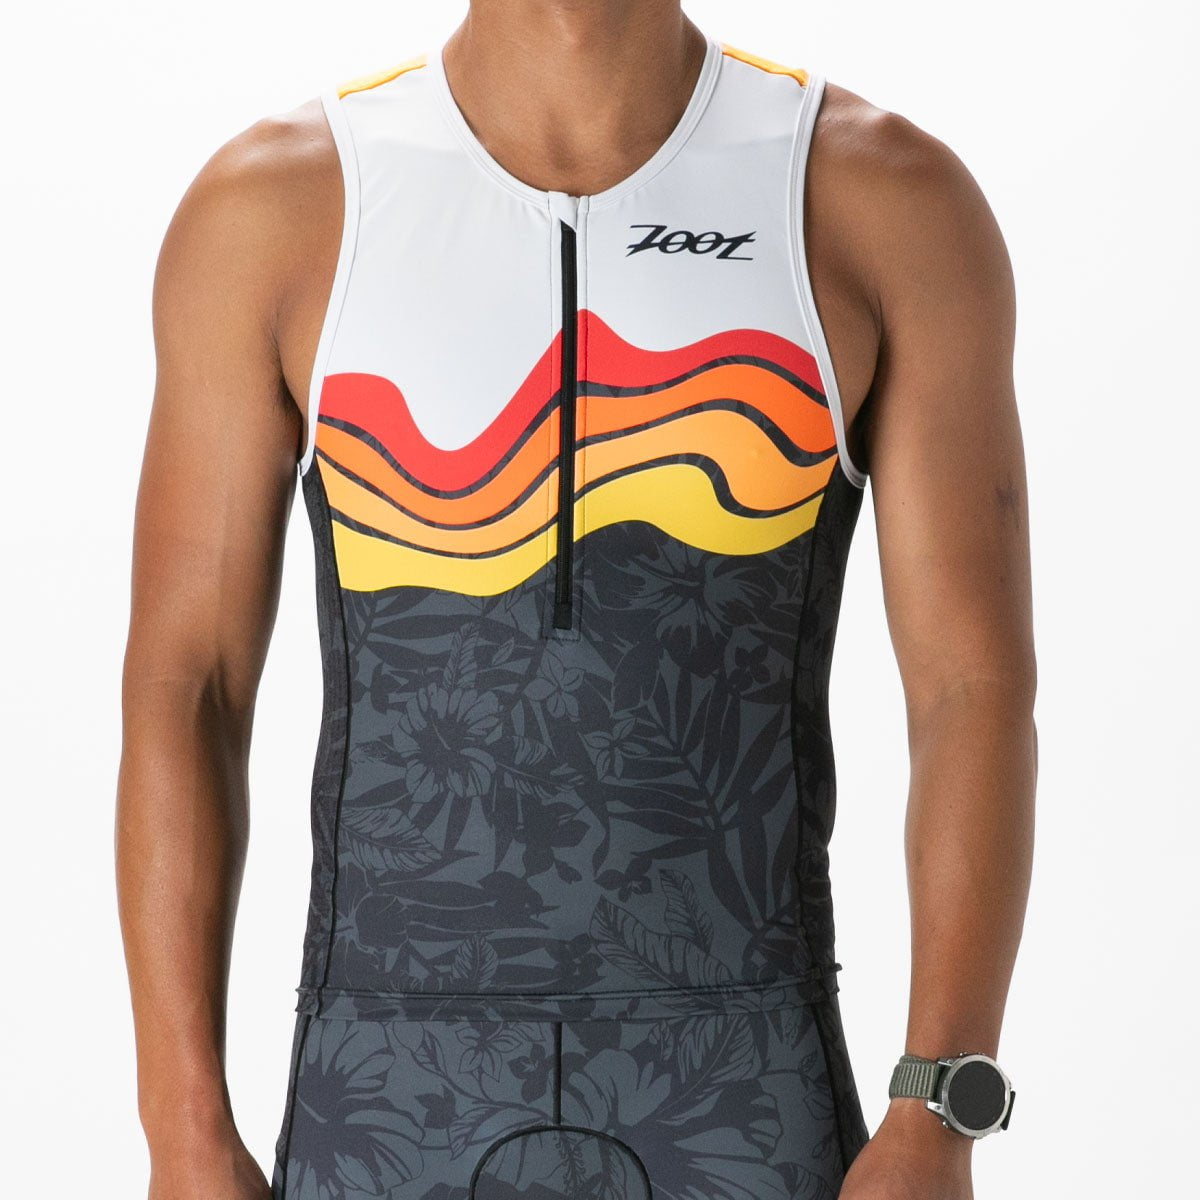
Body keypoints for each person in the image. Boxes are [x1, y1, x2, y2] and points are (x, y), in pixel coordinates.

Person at [115, 2, 1037, 1197]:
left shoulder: (874, 198)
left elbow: (972, 688)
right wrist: (182, 1132)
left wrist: (938, 1115)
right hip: (386, 1089)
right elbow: (187, 685)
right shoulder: (282, 205)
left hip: (743, 1079)